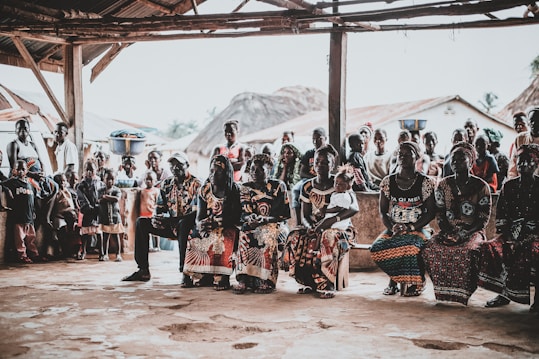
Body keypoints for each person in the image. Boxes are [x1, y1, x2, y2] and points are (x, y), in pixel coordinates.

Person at [285, 145, 358, 299]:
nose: (320, 166)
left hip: (341, 228)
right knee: (296, 235)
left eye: (325, 163)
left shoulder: (340, 181)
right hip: (317, 225)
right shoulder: (307, 186)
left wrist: (332, 219)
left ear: (333, 165)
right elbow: (305, 215)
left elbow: (354, 208)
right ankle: (306, 280)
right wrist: (311, 227)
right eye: (317, 162)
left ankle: (327, 281)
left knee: (328, 236)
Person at [422, 142, 492, 305]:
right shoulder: (444, 185)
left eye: (461, 159)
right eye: (453, 160)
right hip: (449, 231)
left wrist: (465, 233)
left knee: (469, 251)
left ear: (471, 162)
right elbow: (440, 213)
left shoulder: (481, 186)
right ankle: (444, 293)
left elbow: (483, 219)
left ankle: (462, 293)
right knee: (430, 249)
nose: (456, 163)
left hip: (472, 231)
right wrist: (448, 232)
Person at [370, 142, 436, 296]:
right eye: (400, 154)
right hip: (396, 227)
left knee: (411, 247)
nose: (403, 157)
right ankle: (394, 279)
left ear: (417, 157)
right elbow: (383, 211)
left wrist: (411, 227)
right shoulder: (388, 182)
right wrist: (392, 227)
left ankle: (417, 283)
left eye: (408, 154)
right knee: (377, 247)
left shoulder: (425, 182)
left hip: (419, 228)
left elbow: (431, 212)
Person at [122, 152, 201, 282]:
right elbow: (160, 208)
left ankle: (185, 271)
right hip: (171, 224)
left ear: (187, 165)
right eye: (172, 165)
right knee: (141, 223)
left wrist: (171, 220)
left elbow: (196, 213)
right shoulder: (166, 184)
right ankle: (143, 270)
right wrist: (157, 218)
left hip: (191, 227)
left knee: (184, 223)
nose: (175, 168)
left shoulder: (197, 184)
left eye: (179, 165)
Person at [479, 144, 539, 312]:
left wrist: (528, 234)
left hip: (535, 235)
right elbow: (502, 215)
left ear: (536, 164)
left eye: (529, 162)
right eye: (520, 162)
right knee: (490, 247)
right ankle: (503, 293)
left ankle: (538, 299)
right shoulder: (509, 186)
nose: (523, 165)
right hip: (512, 233)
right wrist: (509, 235)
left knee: (533, 251)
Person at [182, 155, 241, 290]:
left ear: (226, 173)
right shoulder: (205, 189)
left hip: (227, 225)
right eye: (211, 171)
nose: (213, 174)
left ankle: (222, 277)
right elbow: (199, 216)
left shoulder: (233, 190)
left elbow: (236, 217)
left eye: (218, 171)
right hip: (210, 225)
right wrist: (201, 225)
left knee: (222, 237)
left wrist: (218, 222)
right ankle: (202, 276)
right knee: (196, 235)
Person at [234, 153, 291, 294]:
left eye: (260, 170)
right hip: (252, 223)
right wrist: (249, 218)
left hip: (274, 224)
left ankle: (266, 279)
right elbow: (242, 211)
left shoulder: (278, 186)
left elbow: (281, 214)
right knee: (245, 234)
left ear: (269, 170)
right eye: (253, 169)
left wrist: (264, 220)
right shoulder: (245, 188)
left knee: (266, 235)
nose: (255, 173)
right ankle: (243, 278)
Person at [1, 160, 44, 263]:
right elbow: (1, 184)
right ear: (14, 171)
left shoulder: (29, 184)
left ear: (26, 171)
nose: (20, 172)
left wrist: (33, 211)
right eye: (18, 169)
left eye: (23, 169)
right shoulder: (12, 182)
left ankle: (34, 254)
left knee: (31, 238)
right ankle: (22, 256)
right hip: (18, 218)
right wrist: (7, 190)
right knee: (20, 240)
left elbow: (31, 200)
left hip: (29, 218)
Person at [291, 127, 327, 226]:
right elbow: (302, 173)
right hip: (309, 179)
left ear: (325, 138)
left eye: (319, 139)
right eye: (313, 139)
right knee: (296, 190)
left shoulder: (328, 153)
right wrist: (314, 178)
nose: (316, 142)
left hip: (325, 179)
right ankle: (299, 223)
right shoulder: (309, 153)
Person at [77, 159, 105, 260]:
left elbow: (102, 196)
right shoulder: (81, 185)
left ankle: (102, 253)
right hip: (87, 211)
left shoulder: (101, 184)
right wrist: (87, 207)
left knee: (98, 232)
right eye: (87, 170)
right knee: (85, 232)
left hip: (97, 211)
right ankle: (83, 251)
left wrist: (98, 206)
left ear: (96, 170)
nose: (89, 172)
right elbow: (81, 197)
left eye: (92, 170)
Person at [47, 173, 79, 259]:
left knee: (76, 231)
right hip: (60, 216)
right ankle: (63, 251)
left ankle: (74, 251)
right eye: (59, 181)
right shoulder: (56, 193)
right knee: (61, 233)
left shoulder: (68, 191)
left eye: (64, 181)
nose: (62, 183)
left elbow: (72, 204)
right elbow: (51, 206)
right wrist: (47, 218)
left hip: (71, 216)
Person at [98, 169, 124, 262]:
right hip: (104, 217)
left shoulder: (116, 190)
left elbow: (116, 199)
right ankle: (105, 254)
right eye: (107, 179)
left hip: (115, 217)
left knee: (116, 236)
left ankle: (118, 254)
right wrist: (106, 198)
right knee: (105, 237)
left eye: (112, 179)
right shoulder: (100, 190)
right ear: (103, 179)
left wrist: (106, 197)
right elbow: (99, 200)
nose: (110, 181)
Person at [508, 107, 539, 179]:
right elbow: (513, 164)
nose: (534, 124)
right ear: (528, 122)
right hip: (521, 183)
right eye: (532, 121)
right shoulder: (520, 138)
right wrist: (512, 180)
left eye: (538, 121)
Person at [322, 165, 356, 230]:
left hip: (338, 223)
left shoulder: (344, 196)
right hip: (331, 218)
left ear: (348, 187)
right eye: (336, 183)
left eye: (341, 184)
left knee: (320, 228)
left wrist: (326, 210)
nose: (337, 185)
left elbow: (339, 208)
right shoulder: (337, 194)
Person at [138, 171, 162, 251]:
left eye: (150, 179)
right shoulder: (141, 191)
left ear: (154, 181)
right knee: (146, 231)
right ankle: (148, 246)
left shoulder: (156, 191)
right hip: (143, 213)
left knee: (155, 230)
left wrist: (155, 210)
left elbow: (157, 202)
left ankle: (157, 246)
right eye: (146, 179)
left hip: (152, 213)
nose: (148, 181)